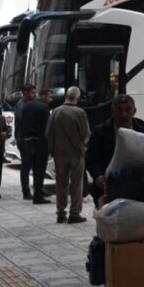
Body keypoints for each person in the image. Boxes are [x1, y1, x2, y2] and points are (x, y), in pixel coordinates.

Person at [86, 94, 144, 207]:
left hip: (138, 189)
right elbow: (91, 158)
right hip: (108, 189)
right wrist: (98, 175)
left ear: (134, 111)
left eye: (127, 110)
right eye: (119, 110)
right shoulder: (99, 132)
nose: (123, 114)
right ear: (113, 111)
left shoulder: (143, 132)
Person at [46, 87, 91, 222]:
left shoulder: (56, 112)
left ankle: (60, 212)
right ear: (77, 97)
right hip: (76, 153)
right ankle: (74, 213)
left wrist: (53, 149)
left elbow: (48, 133)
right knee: (77, 184)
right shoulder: (80, 113)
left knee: (61, 183)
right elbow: (86, 134)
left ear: (66, 96)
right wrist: (82, 146)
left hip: (59, 153)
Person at [19, 86, 52, 204]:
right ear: (43, 96)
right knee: (40, 169)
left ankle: (34, 191)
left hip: (28, 141)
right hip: (40, 142)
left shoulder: (26, 106)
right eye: (50, 97)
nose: (51, 99)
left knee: (31, 167)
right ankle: (38, 195)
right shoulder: (44, 108)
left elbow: (22, 123)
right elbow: (47, 128)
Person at [15, 84, 37, 198]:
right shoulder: (21, 105)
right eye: (32, 93)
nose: (35, 95)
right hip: (23, 139)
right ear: (25, 93)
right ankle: (26, 191)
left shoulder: (32, 104)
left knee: (35, 165)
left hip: (32, 139)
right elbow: (26, 118)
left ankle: (37, 189)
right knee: (26, 166)